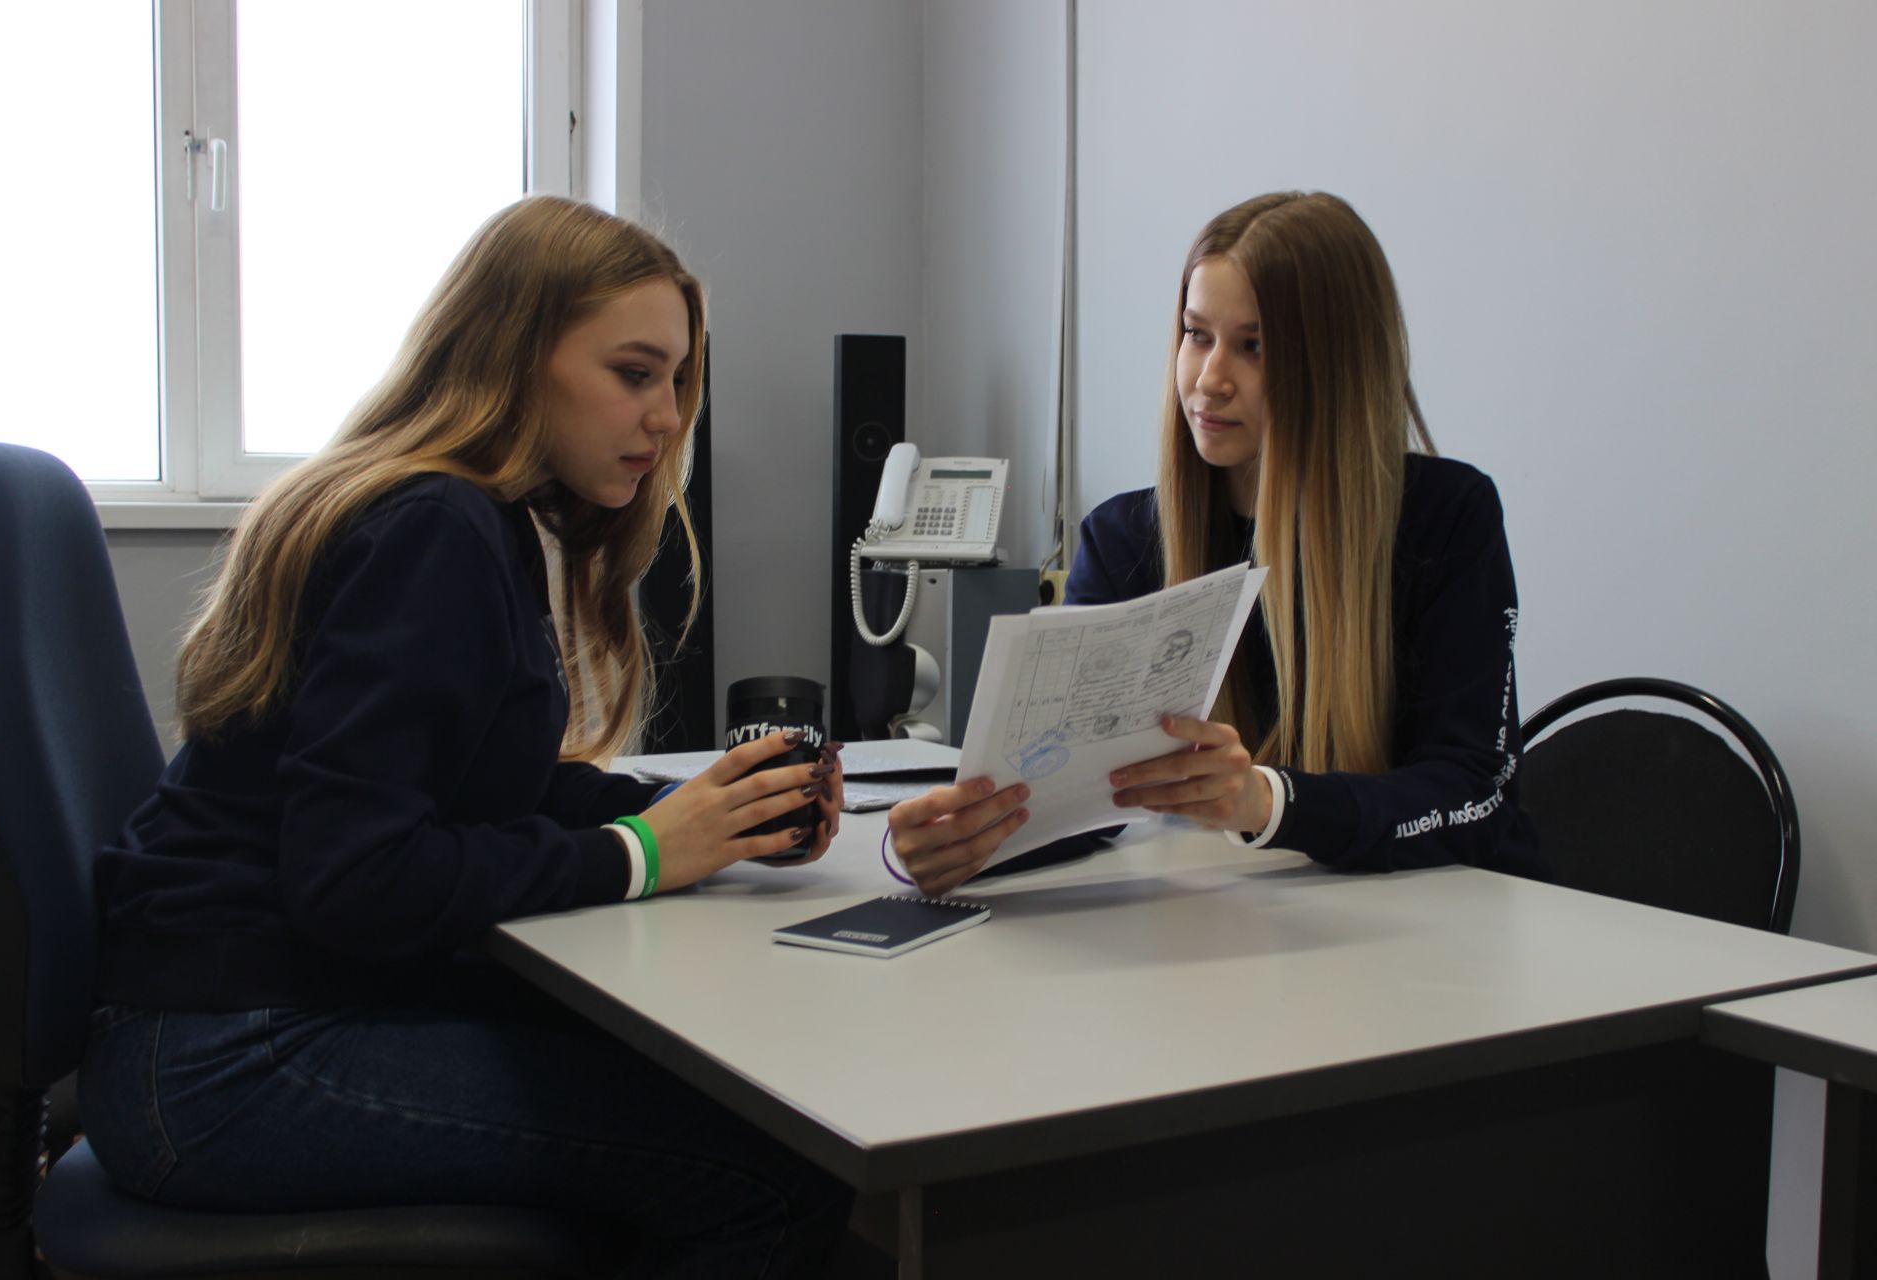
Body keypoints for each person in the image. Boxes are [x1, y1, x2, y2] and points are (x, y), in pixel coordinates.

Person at [80, 195, 852, 1277]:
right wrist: (641, 853)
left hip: (231, 1019)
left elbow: (476, 788)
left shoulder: (463, 515)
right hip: (229, 1059)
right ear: (514, 355)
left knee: (705, 1091)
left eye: (679, 379)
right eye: (634, 373)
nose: (669, 415)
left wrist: (699, 816)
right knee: (775, 1172)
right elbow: (360, 876)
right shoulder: (434, 528)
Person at [889, 191, 1546, 894]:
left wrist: (1268, 801)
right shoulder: (1123, 541)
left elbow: (1473, 794)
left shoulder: (1448, 518)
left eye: (1253, 346)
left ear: (1337, 365)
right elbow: (1078, 798)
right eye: (1197, 334)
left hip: (1441, 927)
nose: (1209, 380)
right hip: (1236, 928)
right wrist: (952, 842)